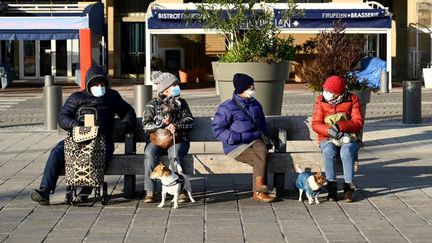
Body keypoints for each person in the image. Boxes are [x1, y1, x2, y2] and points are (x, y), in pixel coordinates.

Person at [30, 65, 136, 205]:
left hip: (102, 140)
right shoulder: (77, 97)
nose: (99, 86)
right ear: (88, 85)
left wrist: (126, 122)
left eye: (102, 84)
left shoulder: (112, 96)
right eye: (96, 84)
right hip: (78, 138)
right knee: (57, 151)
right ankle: (45, 191)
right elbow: (62, 116)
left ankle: (86, 190)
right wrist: (75, 124)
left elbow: (128, 110)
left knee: (97, 155)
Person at [211, 73, 274, 203]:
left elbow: (262, 125)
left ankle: (258, 189)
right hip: (236, 145)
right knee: (260, 158)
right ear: (241, 89)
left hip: (254, 140)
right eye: (250, 87)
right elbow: (217, 129)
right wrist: (236, 137)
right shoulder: (227, 107)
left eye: (253, 85)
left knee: (262, 149)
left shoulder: (256, 104)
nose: (254, 88)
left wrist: (267, 139)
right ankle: (259, 191)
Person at [142, 72, 194, 203]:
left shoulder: (181, 103)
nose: (177, 87)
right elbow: (145, 126)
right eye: (174, 84)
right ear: (165, 89)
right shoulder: (152, 105)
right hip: (157, 140)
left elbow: (190, 120)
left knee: (175, 154)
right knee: (149, 153)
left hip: (177, 139)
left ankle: (180, 190)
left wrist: (176, 125)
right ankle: (150, 190)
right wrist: (160, 124)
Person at [311, 75, 363, 203]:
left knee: (346, 151)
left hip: (349, 137)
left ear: (338, 93)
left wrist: (341, 126)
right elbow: (315, 124)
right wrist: (329, 131)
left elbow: (358, 122)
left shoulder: (352, 99)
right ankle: (331, 187)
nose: (326, 93)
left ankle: (348, 188)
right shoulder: (320, 100)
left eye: (330, 91)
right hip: (327, 137)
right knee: (328, 150)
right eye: (325, 90)